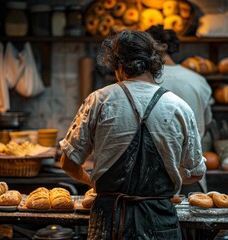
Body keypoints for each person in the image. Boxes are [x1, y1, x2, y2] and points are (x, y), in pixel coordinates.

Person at [59, 30, 206, 240]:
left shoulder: (98, 101)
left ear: (117, 64)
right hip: (161, 222)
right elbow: (196, 173)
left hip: (109, 223)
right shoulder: (179, 107)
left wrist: (93, 181)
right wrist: (164, 182)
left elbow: (68, 163)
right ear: (154, 62)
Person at [146, 25, 214, 193]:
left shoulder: (145, 81)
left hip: (153, 177)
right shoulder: (199, 80)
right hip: (192, 174)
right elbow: (206, 122)